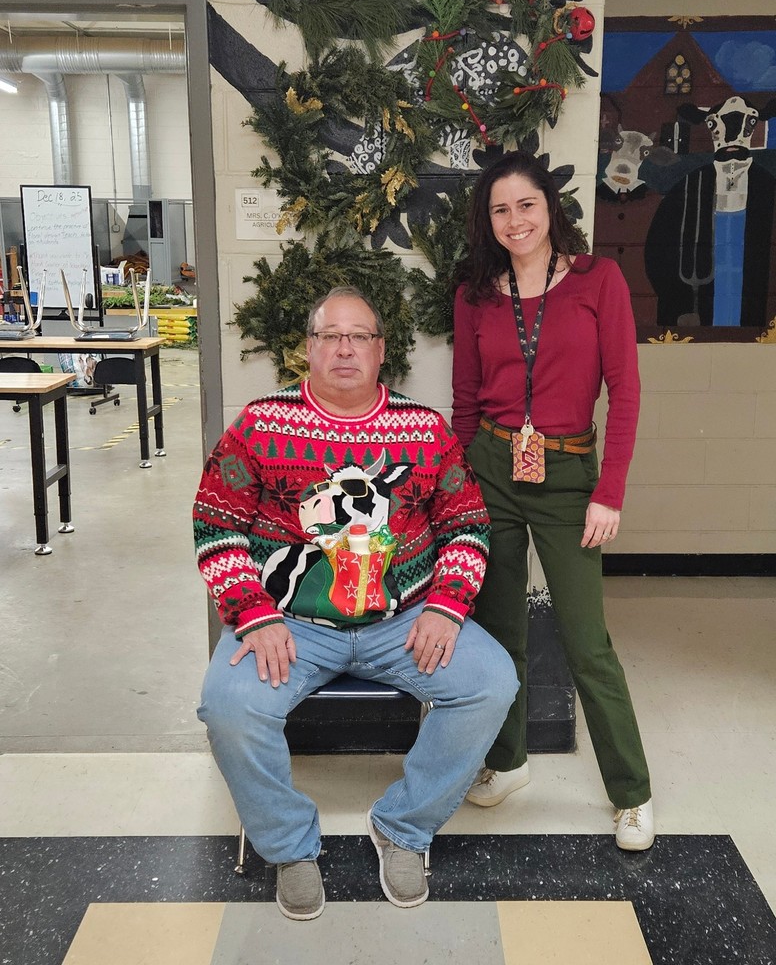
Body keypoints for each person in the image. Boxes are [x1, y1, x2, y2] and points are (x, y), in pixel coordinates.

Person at [194, 286, 517, 920]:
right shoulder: (260, 424)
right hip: (289, 622)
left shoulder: (423, 430)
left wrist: (446, 607)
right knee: (229, 707)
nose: (345, 348)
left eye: (360, 336)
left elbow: (469, 524)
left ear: (380, 350)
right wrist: (253, 614)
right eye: (330, 336)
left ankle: (403, 827)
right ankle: (288, 845)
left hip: (403, 620)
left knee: (490, 683)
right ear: (308, 350)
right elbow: (215, 523)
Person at [451, 151, 654, 852]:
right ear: (489, 219)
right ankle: (506, 764)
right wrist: (462, 486)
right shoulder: (477, 291)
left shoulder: (600, 282)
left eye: (526, 205)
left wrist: (610, 492)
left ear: (550, 207)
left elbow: (624, 391)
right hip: (492, 472)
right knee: (499, 629)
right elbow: (466, 402)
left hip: (569, 477)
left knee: (584, 641)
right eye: (500, 209)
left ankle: (631, 793)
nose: (514, 221)